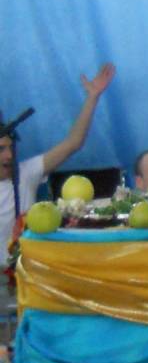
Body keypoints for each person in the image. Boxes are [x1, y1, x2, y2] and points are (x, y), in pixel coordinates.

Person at [2, 64, 116, 235]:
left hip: (27, 252)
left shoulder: (26, 173)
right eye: (1, 149)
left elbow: (73, 143)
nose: (9, 155)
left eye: (11, 147)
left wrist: (92, 98)